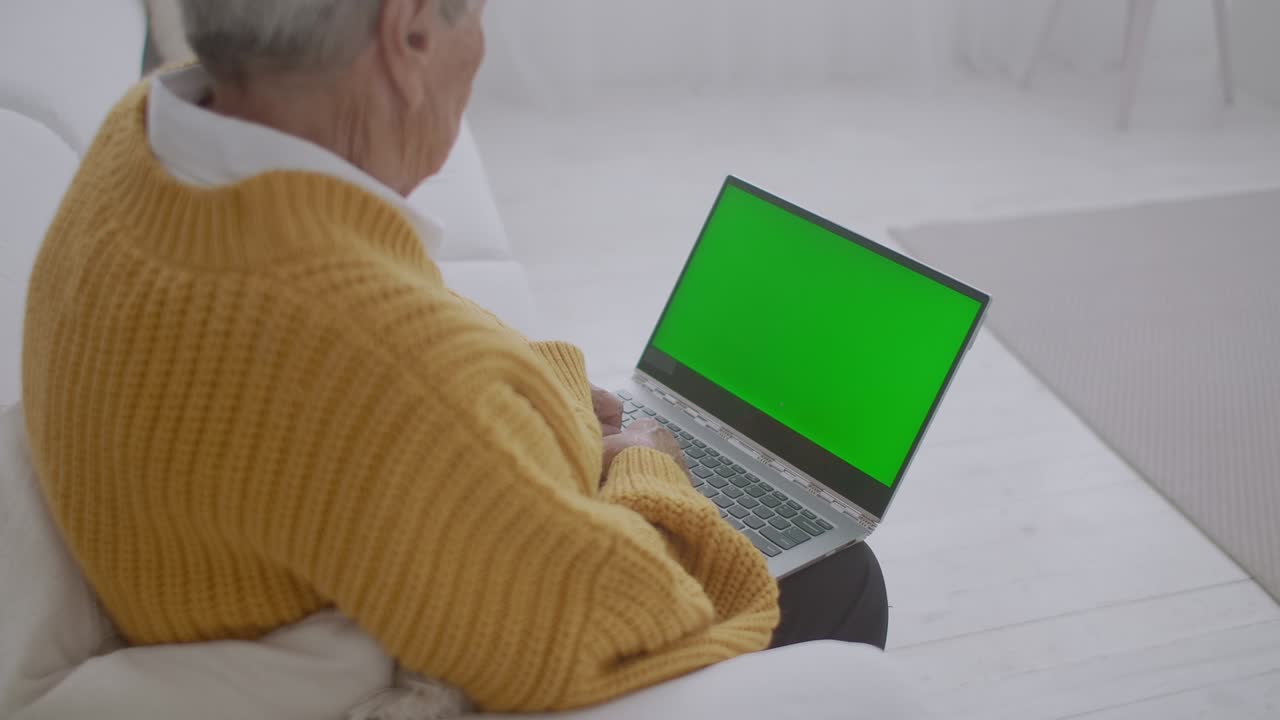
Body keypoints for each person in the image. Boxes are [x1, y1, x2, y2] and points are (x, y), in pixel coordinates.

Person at [22, 0, 887, 712]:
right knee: (844, 576)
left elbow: (409, 357)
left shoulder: (133, 139)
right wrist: (649, 471)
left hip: (261, 534)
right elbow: (616, 618)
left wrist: (532, 397)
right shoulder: (380, 365)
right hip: (389, 634)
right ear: (408, 36)